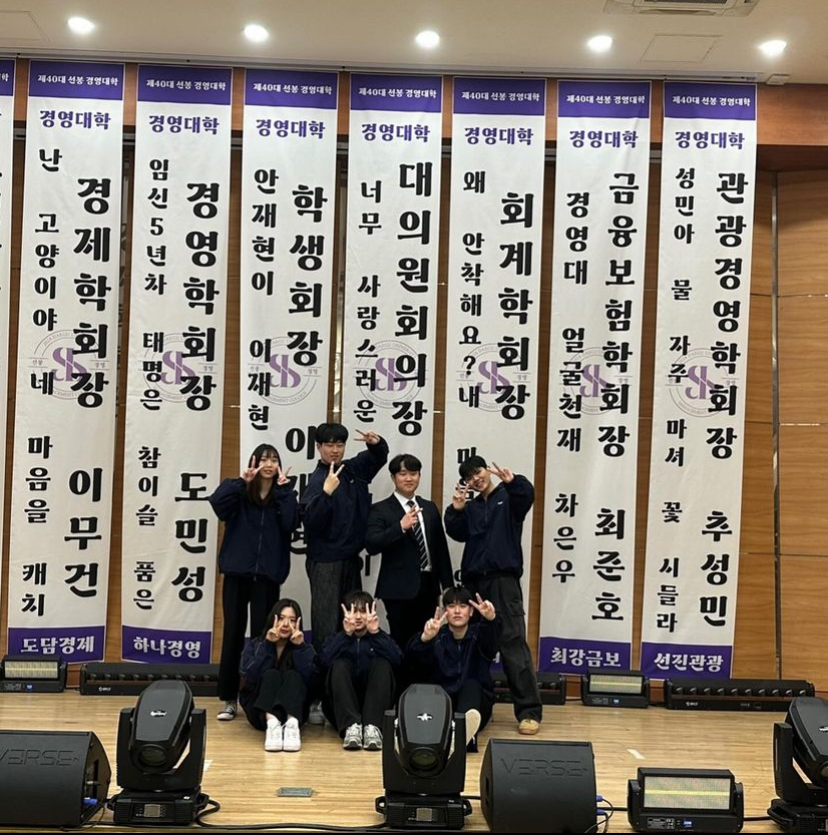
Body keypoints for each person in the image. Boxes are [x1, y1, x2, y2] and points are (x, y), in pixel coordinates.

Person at [444, 455, 543, 735]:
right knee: (473, 643)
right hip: (474, 583)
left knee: (512, 643)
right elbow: (456, 531)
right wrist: (456, 510)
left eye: (478, 472)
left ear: (488, 470)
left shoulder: (509, 498)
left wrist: (514, 482)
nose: (475, 479)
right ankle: (473, 707)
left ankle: (529, 712)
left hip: (504, 582)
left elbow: (526, 496)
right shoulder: (472, 507)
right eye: (469, 478)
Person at [209, 443, 299, 722]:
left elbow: (291, 524)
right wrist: (240, 481)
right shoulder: (240, 492)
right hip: (237, 574)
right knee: (233, 635)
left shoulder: (283, 495)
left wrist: (283, 492)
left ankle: (259, 695)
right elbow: (217, 504)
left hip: (268, 577)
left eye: (274, 459)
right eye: (263, 459)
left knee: (265, 637)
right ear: (254, 463)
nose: (269, 464)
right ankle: (229, 698)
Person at [301, 423, 388, 655]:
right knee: (326, 622)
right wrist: (326, 493)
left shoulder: (352, 469)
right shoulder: (317, 480)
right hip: (325, 561)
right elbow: (311, 522)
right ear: (318, 447)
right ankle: (323, 673)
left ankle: (348, 668)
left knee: (353, 619)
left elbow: (378, 458)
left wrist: (376, 443)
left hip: (350, 558)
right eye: (329, 445)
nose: (335, 450)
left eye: (339, 444)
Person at [365, 453, 453, 650]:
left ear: (419, 476)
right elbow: (371, 544)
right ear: (393, 477)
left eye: (413, 473)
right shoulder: (380, 509)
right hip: (398, 589)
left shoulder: (429, 508)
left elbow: (440, 549)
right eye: (403, 474)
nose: (408, 478)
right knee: (402, 642)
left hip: (428, 586)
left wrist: (447, 585)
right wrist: (400, 527)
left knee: (428, 641)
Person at [407, 586, 501, 751]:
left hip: (475, 704)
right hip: (443, 703)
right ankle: (454, 738)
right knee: (431, 691)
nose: (457, 611)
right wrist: (424, 640)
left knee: (471, 685)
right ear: (445, 611)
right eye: (451, 606)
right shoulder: (437, 635)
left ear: (471, 611)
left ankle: (461, 734)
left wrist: (490, 620)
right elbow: (414, 665)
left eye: (463, 606)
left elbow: (492, 644)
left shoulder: (480, 634)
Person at [318, 590, 403, 751]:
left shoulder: (381, 637)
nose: (357, 617)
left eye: (363, 611)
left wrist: (376, 634)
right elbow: (322, 664)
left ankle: (373, 728)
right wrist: (346, 635)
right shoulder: (336, 638)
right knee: (339, 664)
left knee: (382, 664)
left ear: (372, 612)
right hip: (342, 710)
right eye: (353, 611)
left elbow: (398, 662)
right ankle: (351, 727)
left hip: (375, 708)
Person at [238, 599, 315, 752]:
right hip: (260, 713)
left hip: (294, 713)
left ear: (298, 623)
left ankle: (291, 727)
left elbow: (311, 682)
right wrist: (267, 644)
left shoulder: (303, 646)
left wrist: (301, 648)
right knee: (271, 674)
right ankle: (272, 724)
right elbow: (249, 676)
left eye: (292, 620)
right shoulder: (257, 644)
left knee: (293, 675)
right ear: (272, 619)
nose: (286, 624)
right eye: (281, 618)